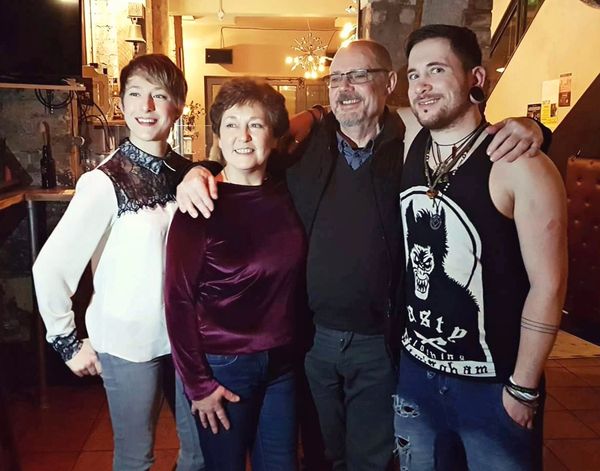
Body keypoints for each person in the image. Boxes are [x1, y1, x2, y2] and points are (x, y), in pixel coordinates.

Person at [173, 40, 548, 471]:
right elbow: (245, 158)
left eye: (358, 76)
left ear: (389, 83)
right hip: (310, 342)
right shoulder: (302, 148)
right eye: (335, 78)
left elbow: (467, 133)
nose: (344, 88)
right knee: (317, 454)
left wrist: (534, 128)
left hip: (380, 342)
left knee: (372, 458)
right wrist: (198, 172)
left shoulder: (414, 145)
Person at [394, 24, 567, 470]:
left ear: (477, 77)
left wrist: (523, 387)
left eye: (436, 69)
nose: (422, 86)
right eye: (414, 74)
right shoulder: (413, 139)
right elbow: (349, 104)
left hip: (493, 385)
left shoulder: (520, 164)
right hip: (416, 375)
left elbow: (549, 285)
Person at [32, 54, 204, 471]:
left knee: (200, 454)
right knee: (135, 457)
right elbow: (50, 266)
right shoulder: (102, 182)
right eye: (135, 94)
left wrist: (201, 169)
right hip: (130, 343)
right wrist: (66, 341)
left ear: (177, 106)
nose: (146, 107)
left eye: (159, 96)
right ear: (122, 103)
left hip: (187, 337)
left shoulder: (187, 172)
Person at [164, 77, 307, 471]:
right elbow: (177, 301)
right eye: (230, 124)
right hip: (223, 368)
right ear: (218, 135)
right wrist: (198, 384)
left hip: (282, 364)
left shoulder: (286, 192)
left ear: (274, 136)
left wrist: (315, 111)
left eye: (256, 124)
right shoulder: (200, 202)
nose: (242, 136)